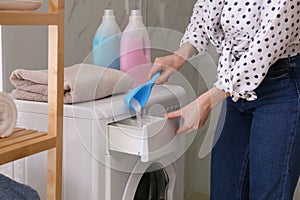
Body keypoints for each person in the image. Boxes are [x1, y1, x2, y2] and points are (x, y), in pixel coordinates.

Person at [148, 0, 300, 199]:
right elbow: (205, 9)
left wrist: (205, 102)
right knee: (224, 191)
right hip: (234, 88)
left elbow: (261, 53)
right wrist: (180, 55)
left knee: (267, 193)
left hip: (280, 87)